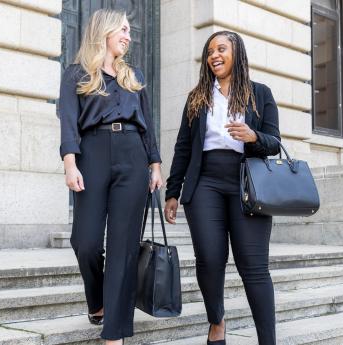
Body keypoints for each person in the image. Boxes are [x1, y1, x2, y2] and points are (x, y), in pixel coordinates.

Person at [164, 30, 280, 345]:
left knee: (254, 268)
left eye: (221, 49)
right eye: (209, 51)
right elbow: (183, 147)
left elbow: (275, 143)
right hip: (205, 184)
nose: (214, 55)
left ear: (236, 53)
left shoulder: (261, 93)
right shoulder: (198, 97)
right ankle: (217, 322)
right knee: (210, 259)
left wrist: (253, 137)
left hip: (248, 185)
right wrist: (172, 192)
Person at [57, 9, 163, 345]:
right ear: (104, 31)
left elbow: (148, 124)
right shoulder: (76, 74)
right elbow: (69, 122)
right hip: (92, 153)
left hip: (133, 155)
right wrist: (70, 164)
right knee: (85, 241)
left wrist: (155, 165)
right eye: (123, 29)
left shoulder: (134, 76)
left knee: (124, 247)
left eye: (130, 31)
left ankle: (114, 335)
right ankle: (98, 300)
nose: (129, 36)